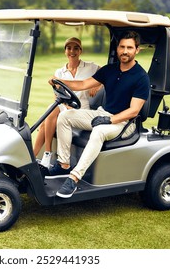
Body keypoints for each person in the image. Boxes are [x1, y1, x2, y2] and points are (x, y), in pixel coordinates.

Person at [48, 31, 150, 198]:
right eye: (122, 47)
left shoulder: (141, 77)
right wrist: (59, 81)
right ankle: (64, 164)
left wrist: (109, 120)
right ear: (117, 48)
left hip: (124, 123)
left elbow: (134, 111)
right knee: (65, 116)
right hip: (102, 114)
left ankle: (74, 178)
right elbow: (83, 84)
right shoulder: (110, 70)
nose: (125, 51)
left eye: (129, 48)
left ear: (137, 50)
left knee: (99, 131)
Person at [33, 37, 101, 168]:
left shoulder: (90, 67)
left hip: (82, 111)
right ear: (65, 51)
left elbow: (107, 72)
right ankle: (37, 156)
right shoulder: (59, 72)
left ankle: (45, 154)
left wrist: (98, 85)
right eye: (69, 48)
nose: (72, 51)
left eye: (76, 48)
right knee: (47, 117)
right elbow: (57, 98)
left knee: (45, 121)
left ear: (80, 51)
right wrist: (65, 106)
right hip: (65, 108)